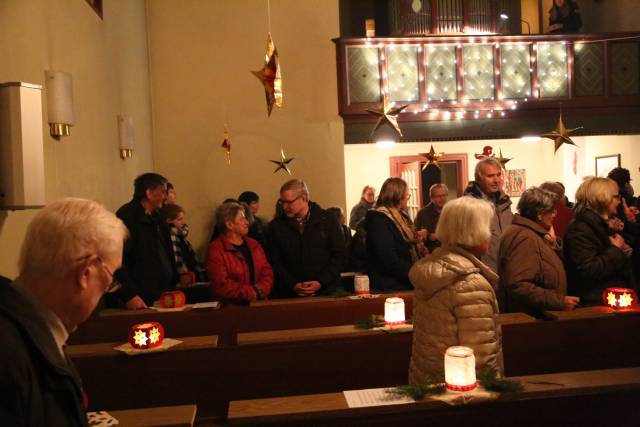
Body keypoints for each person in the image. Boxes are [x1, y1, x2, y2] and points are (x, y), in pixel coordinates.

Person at [0, 198, 128, 426]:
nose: (108, 290)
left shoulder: (25, 329)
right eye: (110, 279)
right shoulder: (11, 358)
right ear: (85, 273)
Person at [408, 197, 503, 385]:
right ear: (475, 233)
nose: (490, 235)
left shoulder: (432, 268)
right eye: (488, 229)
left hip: (427, 379)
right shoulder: (470, 284)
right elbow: (480, 356)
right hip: (460, 394)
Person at [498, 187, 579, 318]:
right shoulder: (525, 237)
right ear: (539, 214)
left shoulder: (529, 233)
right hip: (531, 319)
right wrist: (558, 302)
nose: (555, 214)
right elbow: (518, 284)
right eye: (551, 211)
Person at [267, 179, 346, 297]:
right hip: (290, 294)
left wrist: (321, 281)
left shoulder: (327, 220)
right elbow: (274, 261)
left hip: (327, 292)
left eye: (289, 202)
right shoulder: (276, 226)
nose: (284, 207)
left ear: (304, 199)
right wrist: (293, 284)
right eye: (282, 202)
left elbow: (340, 255)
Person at [564, 177, 636, 304]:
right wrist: (615, 250)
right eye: (616, 197)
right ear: (601, 198)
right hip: (596, 304)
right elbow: (588, 270)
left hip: (606, 299)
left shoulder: (598, 223)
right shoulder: (581, 228)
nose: (619, 201)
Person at [114, 173, 174, 308]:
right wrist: (129, 294)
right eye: (163, 192)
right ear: (149, 193)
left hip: (162, 292)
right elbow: (118, 259)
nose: (165, 197)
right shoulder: (127, 217)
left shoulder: (157, 217)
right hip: (140, 295)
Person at [365, 177, 424, 291]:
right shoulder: (379, 219)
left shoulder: (401, 215)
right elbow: (387, 258)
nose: (407, 199)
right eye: (406, 195)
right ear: (398, 197)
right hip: (390, 284)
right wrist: (416, 273)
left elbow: (405, 243)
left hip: (403, 280)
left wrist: (418, 247)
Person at [208, 202, 273, 303]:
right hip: (232, 310)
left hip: (259, 304)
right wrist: (251, 293)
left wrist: (260, 290)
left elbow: (267, 272)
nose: (247, 222)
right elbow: (221, 284)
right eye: (242, 219)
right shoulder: (216, 250)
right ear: (229, 224)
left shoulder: (254, 244)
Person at [463, 157, 513, 274]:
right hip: (482, 270)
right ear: (479, 178)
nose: (496, 180)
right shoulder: (469, 205)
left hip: (507, 268)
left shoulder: (504, 201)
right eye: (490, 176)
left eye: (498, 175)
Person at [159, 203, 208, 284]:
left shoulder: (180, 236)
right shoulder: (168, 237)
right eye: (179, 219)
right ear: (168, 221)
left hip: (190, 277)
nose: (183, 222)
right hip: (178, 280)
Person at [415, 183, 448, 253]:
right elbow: (416, 235)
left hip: (450, 251)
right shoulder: (422, 214)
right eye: (438, 196)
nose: (442, 198)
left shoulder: (452, 211)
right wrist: (429, 236)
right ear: (432, 198)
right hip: (430, 253)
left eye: (444, 195)